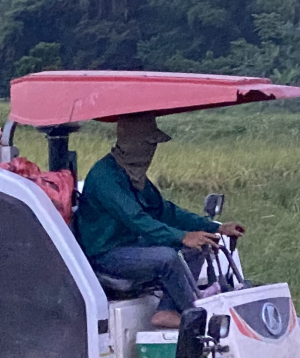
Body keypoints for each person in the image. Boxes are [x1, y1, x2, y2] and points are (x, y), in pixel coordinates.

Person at [72, 114, 244, 329]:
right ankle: (196, 319)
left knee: (197, 247)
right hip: (106, 254)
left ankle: (165, 311)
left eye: (153, 144)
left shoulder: (135, 175)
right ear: (130, 143)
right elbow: (137, 219)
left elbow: (165, 211)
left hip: (131, 245)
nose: (151, 150)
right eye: (147, 143)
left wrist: (216, 227)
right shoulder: (105, 177)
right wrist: (182, 236)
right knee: (167, 257)